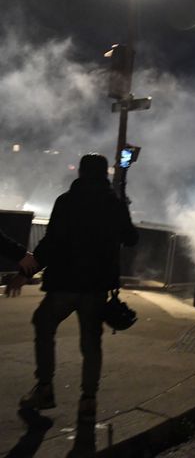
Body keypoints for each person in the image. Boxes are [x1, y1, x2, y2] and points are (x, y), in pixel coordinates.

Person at [15, 154, 138, 426]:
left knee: (43, 324)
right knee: (91, 343)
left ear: (81, 172)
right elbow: (131, 238)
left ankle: (44, 388)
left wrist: (25, 272)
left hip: (65, 282)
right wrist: (123, 207)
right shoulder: (113, 203)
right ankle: (88, 400)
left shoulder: (66, 201)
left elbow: (52, 242)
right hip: (96, 287)